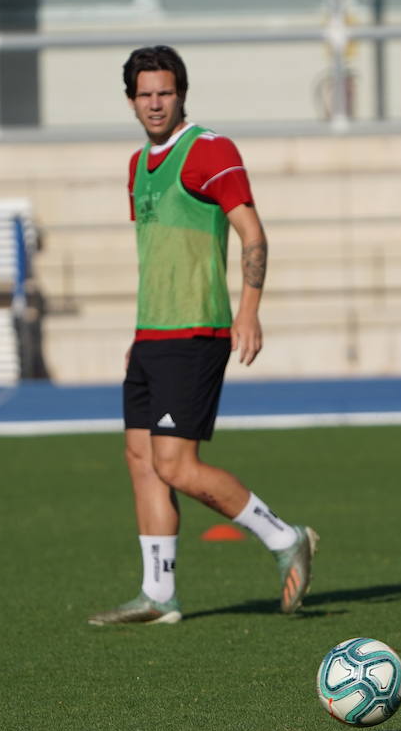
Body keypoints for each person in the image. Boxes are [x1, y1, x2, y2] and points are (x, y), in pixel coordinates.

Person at [89, 45, 317, 626]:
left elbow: (253, 234)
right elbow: (159, 255)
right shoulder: (140, 164)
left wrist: (249, 311)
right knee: (141, 460)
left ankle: (284, 537)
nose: (155, 103)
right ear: (131, 101)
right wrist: (140, 335)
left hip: (196, 332)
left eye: (164, 92)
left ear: (181, 93)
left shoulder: (208, 149)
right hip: (151, 337)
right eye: (145, 94)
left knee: (176, 465)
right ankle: (159, 594)